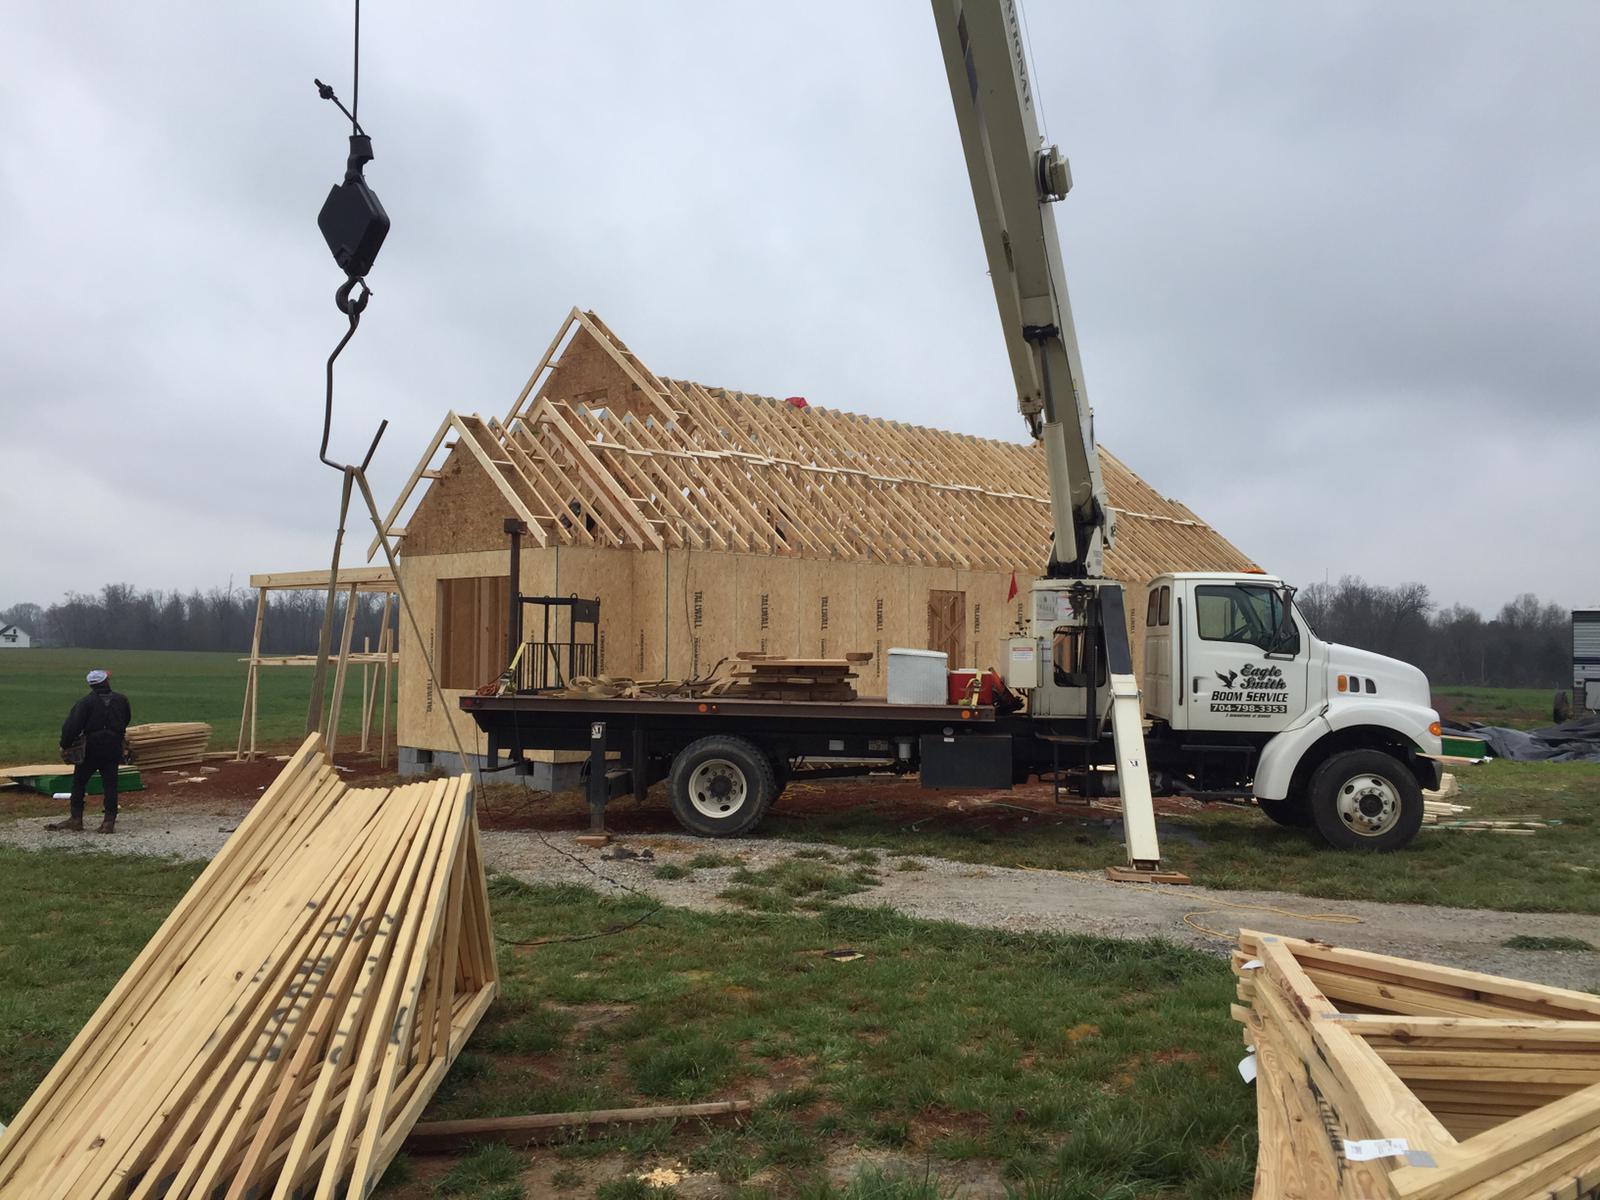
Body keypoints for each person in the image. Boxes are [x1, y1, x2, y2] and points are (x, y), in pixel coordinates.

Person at [47, 669, 131, 834]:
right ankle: (108, 822)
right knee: (110, 785)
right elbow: (126, 719)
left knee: (79, 782)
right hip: (113, 746)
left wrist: (65, 744)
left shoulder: (85, 703)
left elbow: (72, 726)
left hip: (91, 748)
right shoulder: (121, 700)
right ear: (105, 682)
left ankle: (76, 819)